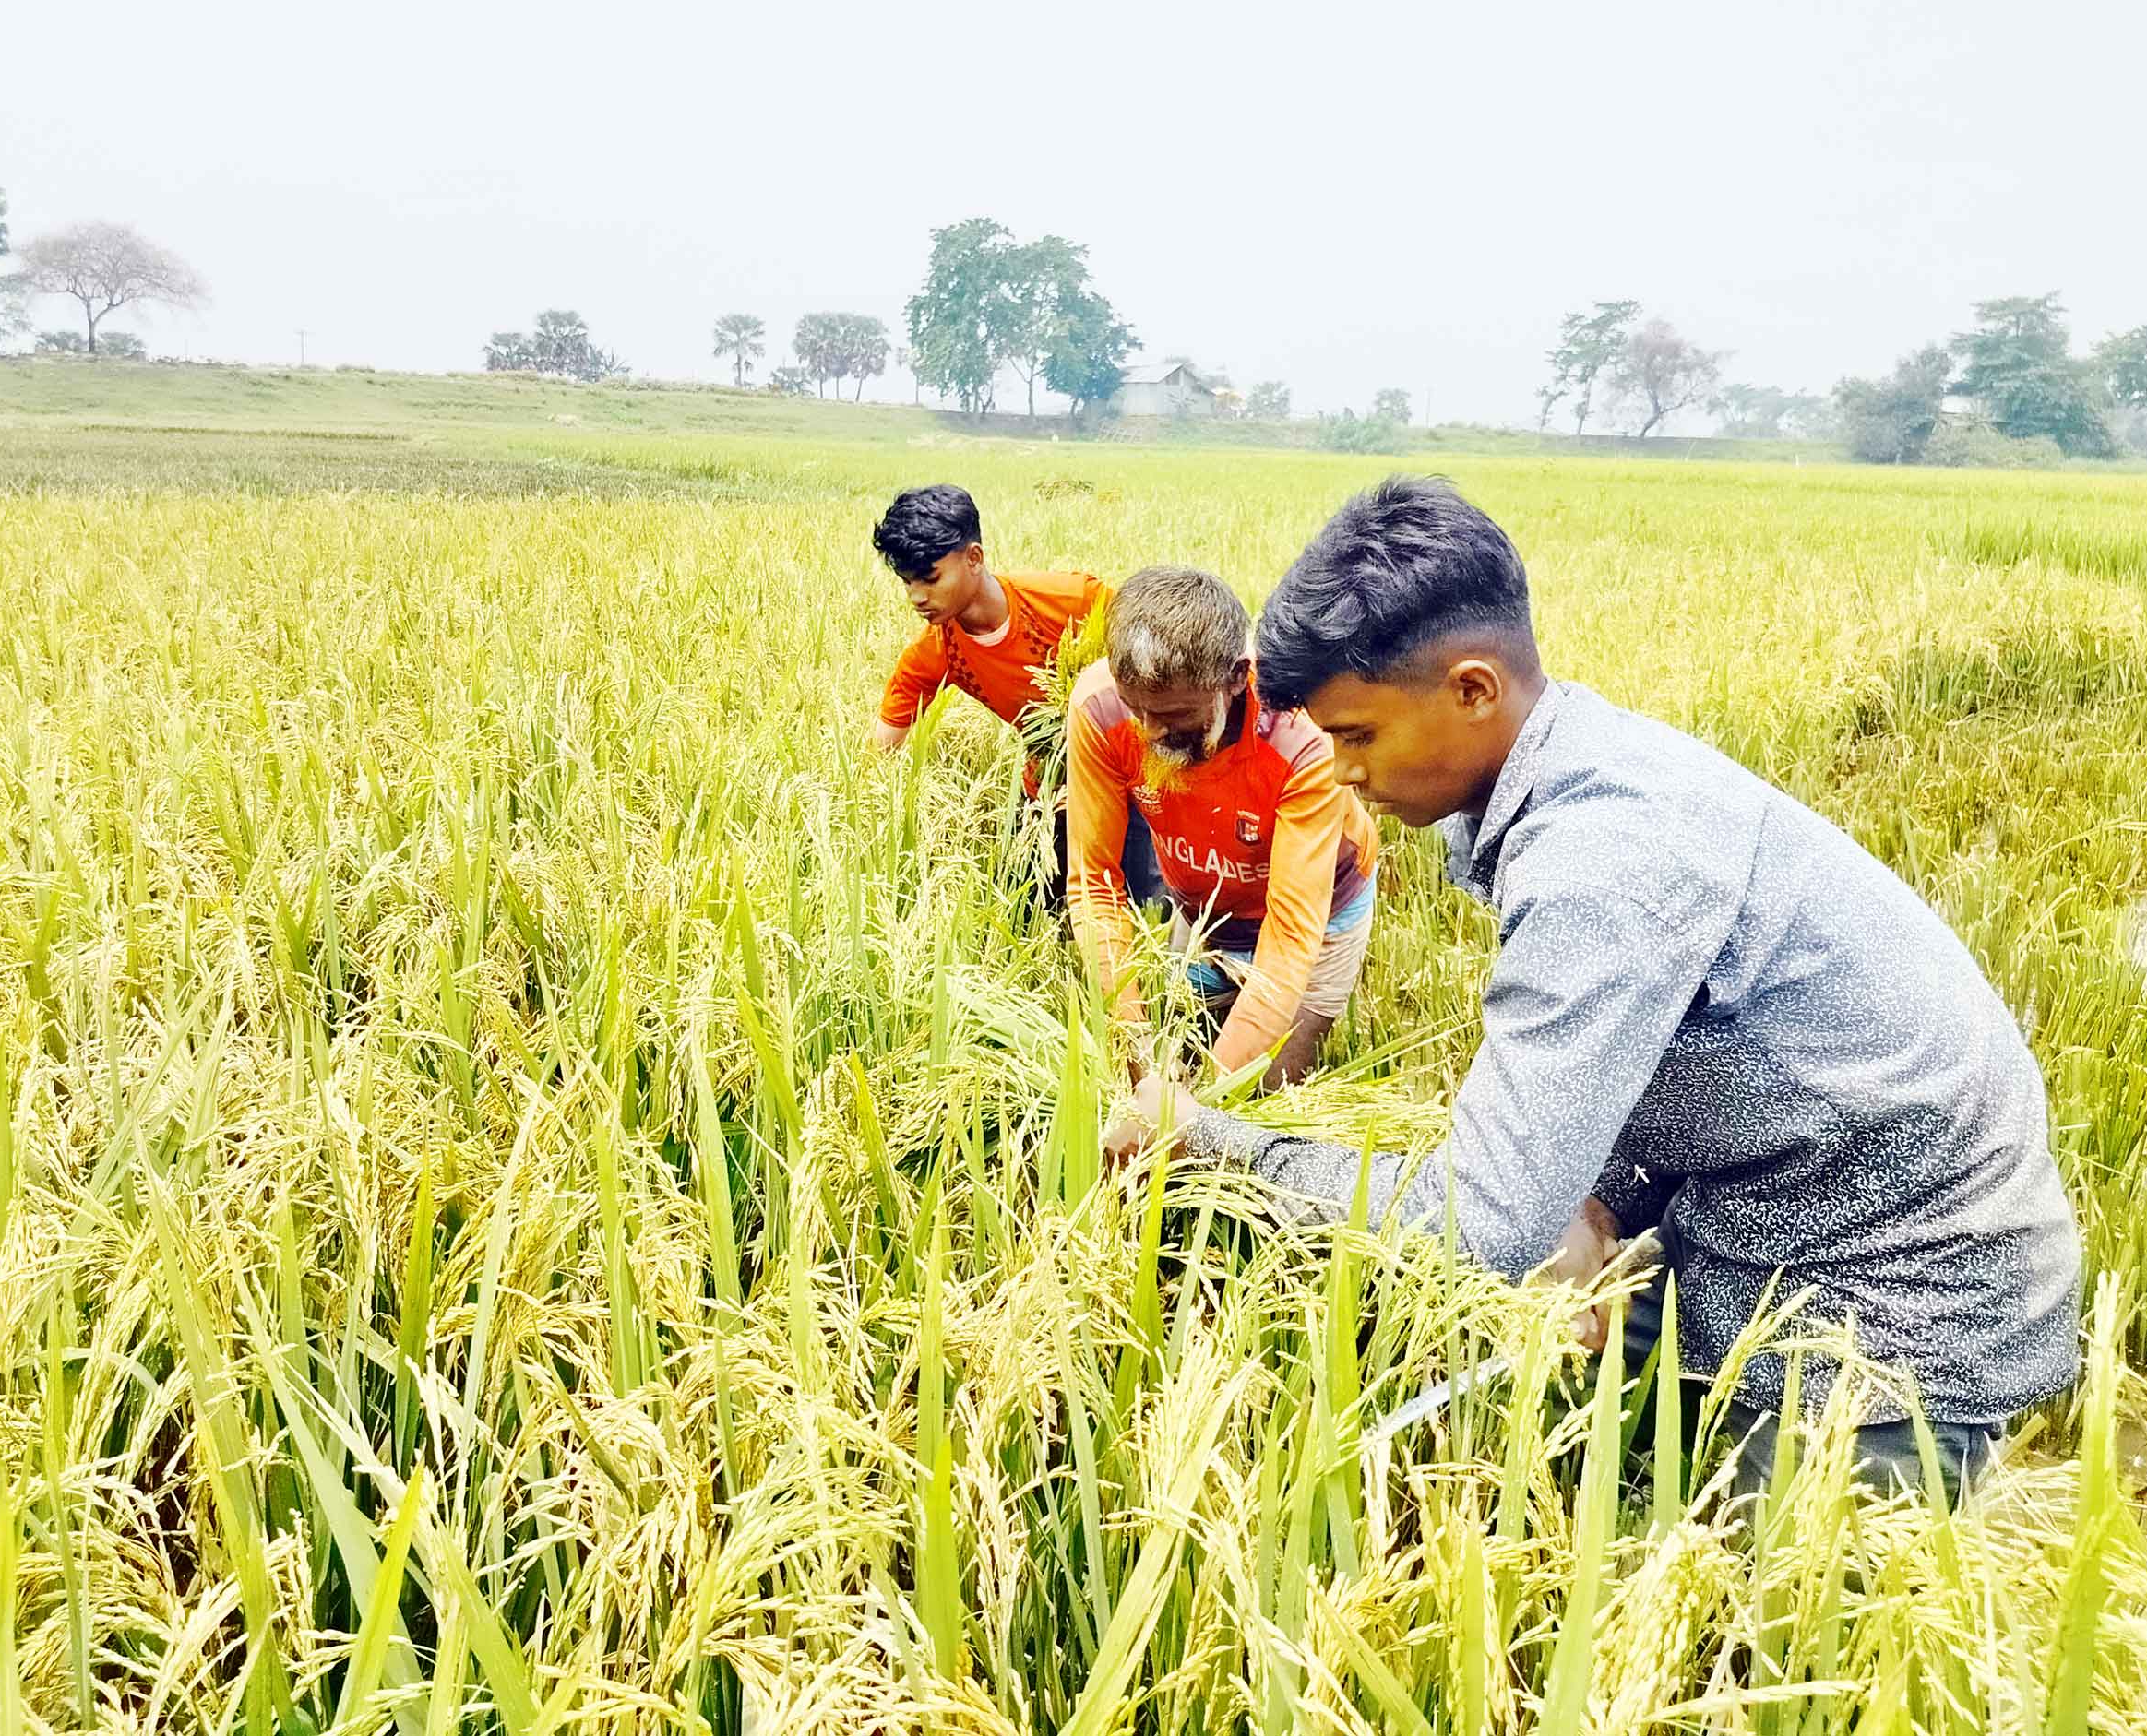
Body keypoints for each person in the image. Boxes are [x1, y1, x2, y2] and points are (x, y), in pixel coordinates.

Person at [1105, 478, 2081, 1496]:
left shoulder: (1602, 857)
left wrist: (1207, 1138)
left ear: (1473, 690)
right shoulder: (1572, 770)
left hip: (1892, 1309)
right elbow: (1670, 1043)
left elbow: (1484, 1228)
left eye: (1357, 736)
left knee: (1772, 1632)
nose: (1341, 771)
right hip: (1751, 1219)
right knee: (1583, 1473)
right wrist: (1602, 1201)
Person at [1067, 565, 1380, 1089]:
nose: (1148, 732)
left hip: (1316, 920)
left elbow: (1289, 937)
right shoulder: (1099, 709)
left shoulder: (1301, 741)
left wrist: (1198, 1112)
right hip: (1206, 913)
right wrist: (1132, 1038)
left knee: (1256, 1094)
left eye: (1174, 715)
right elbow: (1094, 883)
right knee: (1168, 1058)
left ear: (1238, 676)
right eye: (1136, 708)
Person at [868, 484, 1159, 910]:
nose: (916, 597)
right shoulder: (933, 654)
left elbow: (1167, 665)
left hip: (1131, 781)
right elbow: (881, 751)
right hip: (1046, 789)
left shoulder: (1078, 601)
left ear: (973, 558)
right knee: (1019, 915)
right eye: (907, 582)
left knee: (1145, 912)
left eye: (930, 578)